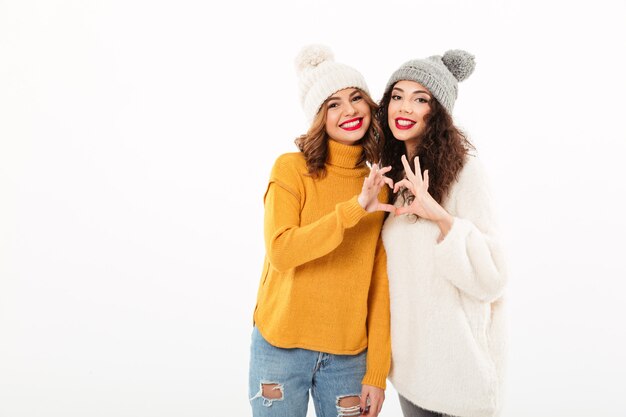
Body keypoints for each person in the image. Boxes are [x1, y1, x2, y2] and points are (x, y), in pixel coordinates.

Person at [249, 44, 393, 417]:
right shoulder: (290, 169)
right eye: (333, 104)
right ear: (318, 117)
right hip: (280, 347)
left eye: (356, 97)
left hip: (348, 358)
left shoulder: (379, 184)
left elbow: (381, 283)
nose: (349, 111)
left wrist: (376, 372)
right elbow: (282, 250)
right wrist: (353, 210)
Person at [378, 50, 508, 417]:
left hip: (457, 378)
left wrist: (439, 216)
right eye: (397, 96)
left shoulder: (466, 173)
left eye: (420, 99)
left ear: (437, 113)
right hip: (412, 376)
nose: (404, 108)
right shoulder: (398, 178)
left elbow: (494, 277)